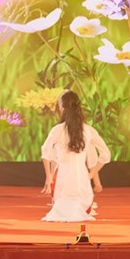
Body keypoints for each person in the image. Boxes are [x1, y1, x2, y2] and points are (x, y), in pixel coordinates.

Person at [40, 90, 110, 222]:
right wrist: (90, 175)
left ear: (62, 108)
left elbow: (45, 151)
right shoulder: (88, 130)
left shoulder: (58, 130)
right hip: (82, 184)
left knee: (61, 205)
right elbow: (106, 154)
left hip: (61, 185)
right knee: (79, 206)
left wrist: (49, 177)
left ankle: (65, 209)